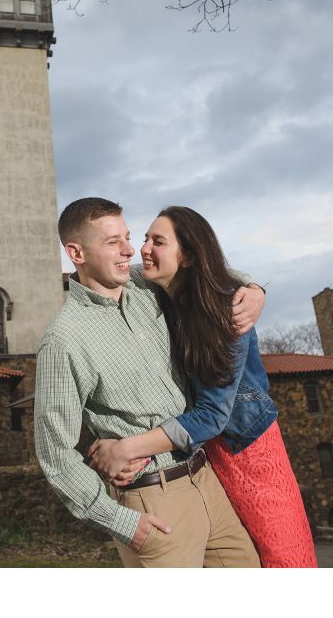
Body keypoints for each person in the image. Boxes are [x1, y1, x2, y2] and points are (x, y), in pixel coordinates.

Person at [35, 197, 265, 567]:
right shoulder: (64, 340)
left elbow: (206, 270)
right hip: (153, 502)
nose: (130, 250)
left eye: (127, 237)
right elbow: (55, 455)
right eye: (113, 243)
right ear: (76, 252)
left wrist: (254, 290)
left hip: (207, 480)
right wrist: (121, 522)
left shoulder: (146, 285)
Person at [87, 206, 317, 567]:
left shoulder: (226, 312)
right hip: (205, 453)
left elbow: (211, 414)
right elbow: (99, 272)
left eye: (157, 241)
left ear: (189, 255)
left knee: (283, 556)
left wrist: (128, 448)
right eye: (144, 238)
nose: (143, 248)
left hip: (249, 449)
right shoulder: (159, 289)